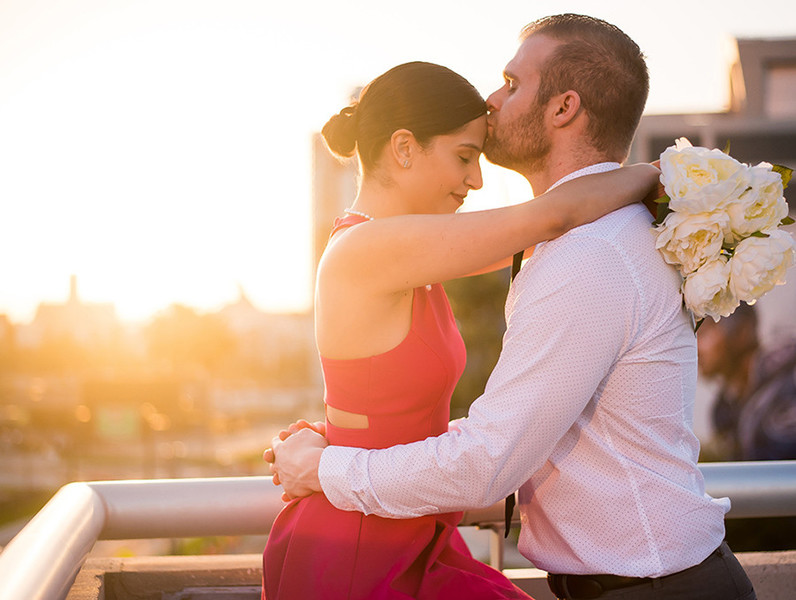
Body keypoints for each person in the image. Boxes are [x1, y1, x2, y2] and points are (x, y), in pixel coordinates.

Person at [269, 14, 758, 600]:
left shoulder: (589, 252)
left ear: (563, 108)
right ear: (403, 149)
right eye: (462, 156)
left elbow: (488, 459)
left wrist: (326, 467)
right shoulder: (395, 248)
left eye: (510, 82)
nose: (494, 100)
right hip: (374, 542)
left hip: (649, 586)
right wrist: (663, 181)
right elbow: (545, 219)